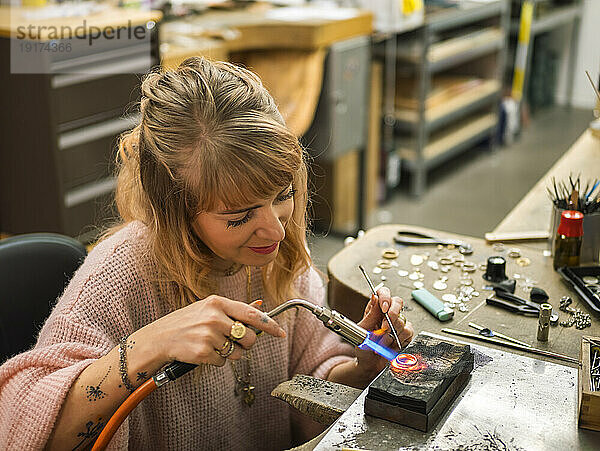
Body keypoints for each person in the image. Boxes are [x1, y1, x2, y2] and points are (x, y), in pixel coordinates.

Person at [0, 57, 413, 450]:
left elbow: (311, 377)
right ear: (176, 212)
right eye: (238, 216)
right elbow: (21, 428)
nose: (275, 228)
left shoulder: (275, 251)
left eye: (282, 195)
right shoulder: (115, 276)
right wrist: (148, 346)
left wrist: (363, 368)